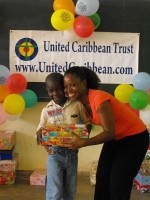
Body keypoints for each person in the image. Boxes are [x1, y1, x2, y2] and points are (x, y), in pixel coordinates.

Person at [63, 66, 149, 200]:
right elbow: (84, 125)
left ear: (84, 84)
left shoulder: (99, 98)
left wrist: (82, 143)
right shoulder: (79, 103)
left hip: (135, 138)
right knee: (102, 178)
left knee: (118, 183)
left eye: (73, 85)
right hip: (116, 138)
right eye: (65, 86)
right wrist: (45, 132)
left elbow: (108, 133)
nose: (68, 90)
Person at [36, 72, 91, 200]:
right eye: (51, 91)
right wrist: (40, 136)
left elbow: (87, 124)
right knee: (54, 191)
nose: (55, 94)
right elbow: (41, 131)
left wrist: (84, 136)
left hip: (72, 153)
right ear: (47, 91)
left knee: (70, 190)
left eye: (59, 89)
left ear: (65, 88)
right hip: (55, 154)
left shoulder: (77, 105)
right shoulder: (46, 110)